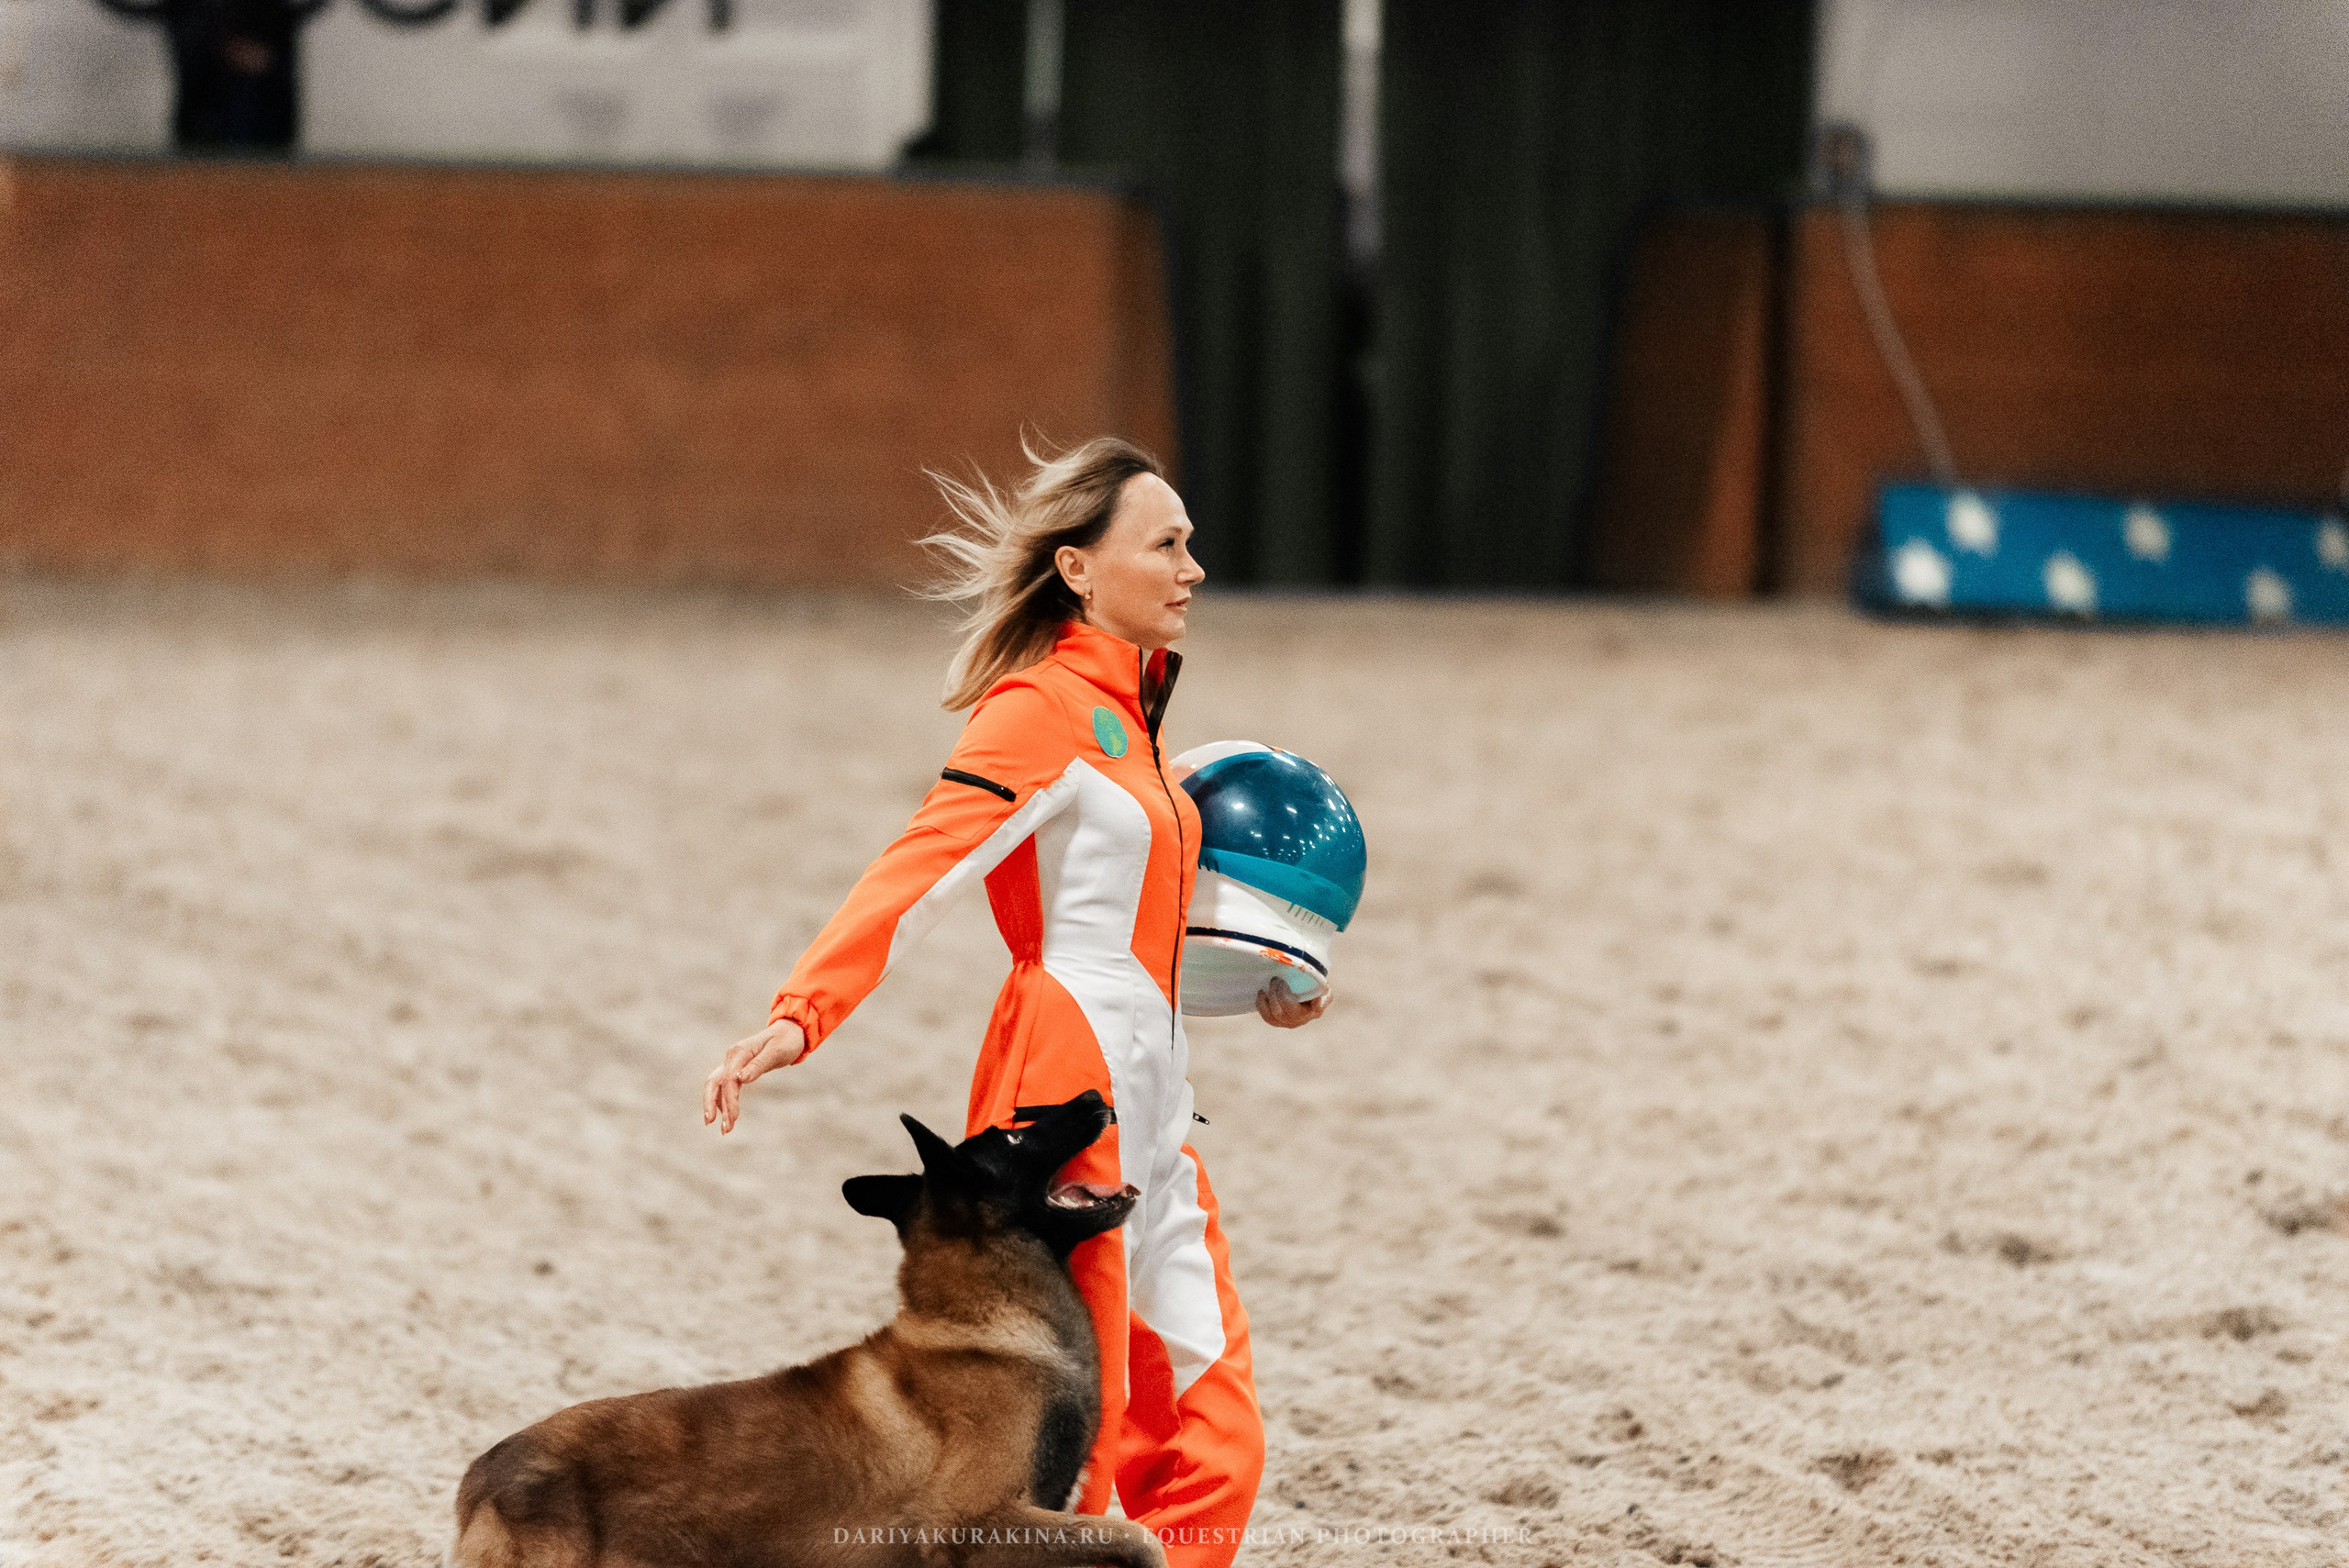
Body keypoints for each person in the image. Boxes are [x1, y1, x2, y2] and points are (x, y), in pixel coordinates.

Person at [703, 436, 1326, 1568]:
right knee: (1073, 1423)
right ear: (1080, 569)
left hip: (1158, 1084)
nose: (1194, 567)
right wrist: (801, 1013)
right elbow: (917, 870)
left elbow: (1139, 930)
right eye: (1167, 543)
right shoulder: (1035, 710)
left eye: (1192, 544)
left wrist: (1253, 989)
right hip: (1063, 1072)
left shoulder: (1140, 725)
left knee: (1213, 1422)